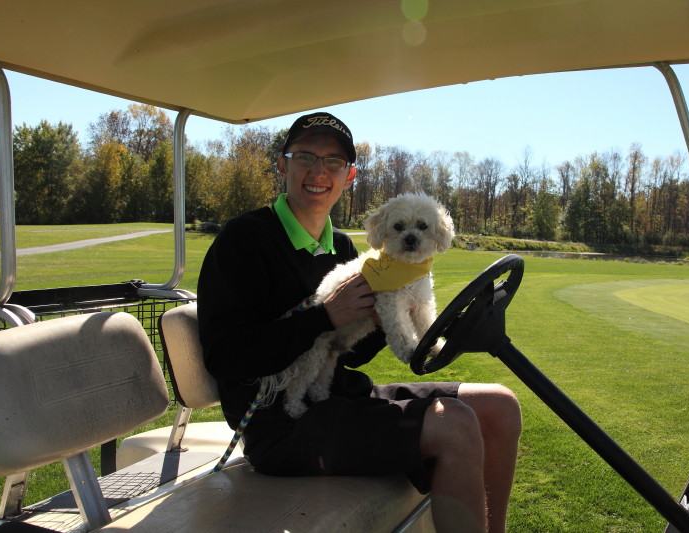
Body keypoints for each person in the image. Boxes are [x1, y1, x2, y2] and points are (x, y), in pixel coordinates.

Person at [197, 112, 521, 532]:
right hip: (280, 423)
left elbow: (353, 351)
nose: (319, 171)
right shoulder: (244, 239)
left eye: (333, 162)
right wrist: (322, 317)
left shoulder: (346, 248)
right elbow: (225, 357)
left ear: (348, 176)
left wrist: (385, 316)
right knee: (455, 424)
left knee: (499, 406)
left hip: (339, 395)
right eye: (305, 157)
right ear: (283, 165)